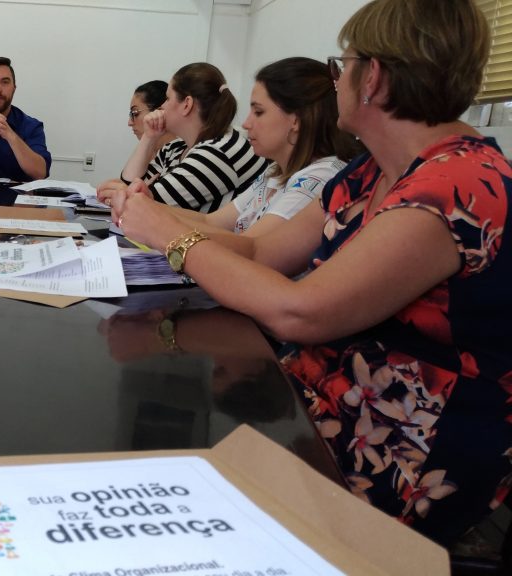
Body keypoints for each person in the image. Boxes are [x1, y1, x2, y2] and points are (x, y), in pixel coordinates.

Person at [108, 0, 510, 546]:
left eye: (342, 65)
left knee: (166, 501)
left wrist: (170, 235)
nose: (336, 80)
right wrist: (160, 224)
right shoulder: (369, 170)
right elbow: (260, 252)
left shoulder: (458, 186)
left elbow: (301, 312)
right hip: (320, 401)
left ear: (374, 77)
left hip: (403, 446)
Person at [128, 57, 363, 240]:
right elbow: (212, 222)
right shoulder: (274, 172)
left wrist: (156, 223)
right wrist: (149, 205)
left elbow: (250, 248)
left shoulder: (318, 178)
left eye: (258, 112)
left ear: (296, 120)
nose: (247, 123)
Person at [98, 63, 268, 213]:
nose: (162, 106)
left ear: (187, 104)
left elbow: (143, 209)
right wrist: (149, 137)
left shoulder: (218, 152)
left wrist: (123, 193)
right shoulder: (175, 147)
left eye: (167, 98)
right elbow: (130, 184)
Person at [129, 80, 176, 147]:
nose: (130, 123)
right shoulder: (151, 151)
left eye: (135, 113)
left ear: (160, 111)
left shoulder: (184, 151)